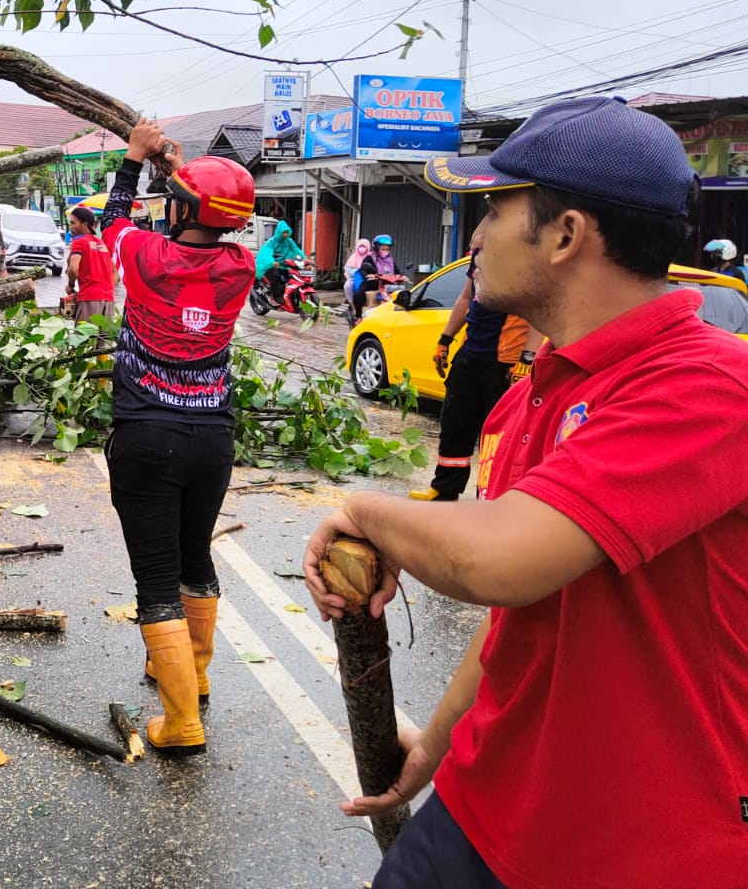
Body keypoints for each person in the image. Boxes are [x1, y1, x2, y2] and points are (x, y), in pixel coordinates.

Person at [303, 97, 748, 889]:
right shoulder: (531, 396)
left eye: (497, 210)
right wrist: (433, 750)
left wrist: (364, 511)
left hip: (641, 850)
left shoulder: (708, 386)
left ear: (566, 235)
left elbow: (499, 563)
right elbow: (519, 617)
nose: (475, 238)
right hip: (482, 809)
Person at [100, 118, 256, 756]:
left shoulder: (145, 255)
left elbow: (114, 219)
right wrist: (180, 175)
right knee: (196, 557)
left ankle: (182, 721)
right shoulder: (241, 266)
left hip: (146, 435)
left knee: (157, 578)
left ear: (181, 208)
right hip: (211, 439)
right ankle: (195, 674)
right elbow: (194, 228)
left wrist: (135, 158)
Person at [412, 231, 540, 502]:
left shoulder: (525, 262)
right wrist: (445, 340)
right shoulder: (478, 260)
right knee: (454, 422)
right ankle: (444, 489)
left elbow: (537, 311)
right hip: (469, 354)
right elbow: (465, 299)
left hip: (505, 362)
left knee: (499, 436)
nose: (476, 246)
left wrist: (527, 360)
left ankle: (492, 498)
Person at [62, 205, 116, 323]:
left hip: (89, 299)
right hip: (108, 301)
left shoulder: (79, 242)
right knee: (104, 334)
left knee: (85, 334)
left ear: (84, 224)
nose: (71, 227)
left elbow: (73, 269)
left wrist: (70, 286)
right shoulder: (101, 243)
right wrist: (107, 290)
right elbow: (114, 272)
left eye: (73, 223)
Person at [353, 233, 407, 316]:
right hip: (373, 283)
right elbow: (363, 269)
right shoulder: (370, 257)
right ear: (377, 248)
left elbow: (397, 271)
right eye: (383, 249)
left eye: (387, 249)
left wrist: (402, 276)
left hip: (389, 284)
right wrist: (367, 275)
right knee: (358, 296)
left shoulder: (390, 259)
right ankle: (358, 315)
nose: (385, 251)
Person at [254, 218, 304, 301]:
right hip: (269, 266)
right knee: (276, 276)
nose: (286, 234)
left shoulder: (288, 241)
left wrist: (305, 260)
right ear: (279, 232)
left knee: (292, 276)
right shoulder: (271, 242)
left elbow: (297, 250)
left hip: (283, 265)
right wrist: (272, 262)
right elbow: (267, 253)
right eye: (284, 232)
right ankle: (274, 297)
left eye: (287, 232)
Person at [345, 237, 372, 321]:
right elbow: (348, 270)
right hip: (354, 277)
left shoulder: (371, 256)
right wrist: (358, 271)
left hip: (368, 277)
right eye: (360, 246)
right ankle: (353, 305)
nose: (362, 248)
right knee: (348, 286)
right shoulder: (353, 257)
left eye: (364, 246)